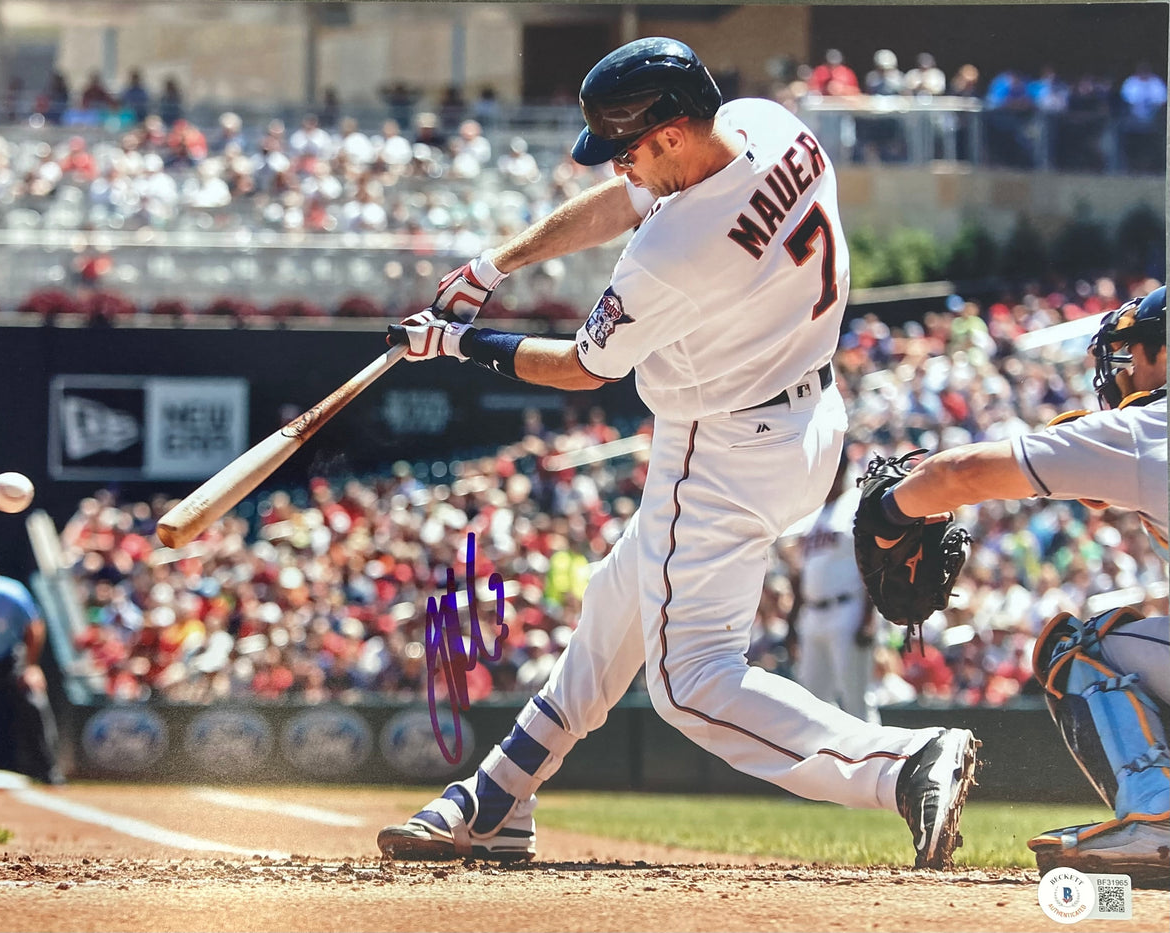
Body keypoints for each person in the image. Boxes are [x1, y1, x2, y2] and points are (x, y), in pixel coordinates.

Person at [378, 36, 978, 871]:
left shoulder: (674, 250)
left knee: (690, 682)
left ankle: (899, 764)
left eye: (628, 147)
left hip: (721, 448)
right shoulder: (769, 125)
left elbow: (582, 368)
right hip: (809, 420)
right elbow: (627, 199)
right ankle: (499, 794)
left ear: (668, 134)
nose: (620, 164)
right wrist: (497, 262)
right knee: (618, 595)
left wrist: (460, 343)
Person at [857, 287, 1167, 884]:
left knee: (1083, 645)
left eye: (1133, 353)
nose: (1121, 370)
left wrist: (890, 514)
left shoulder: (1145, 427)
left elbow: (963, 472)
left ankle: (1156, 817)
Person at [781, 449, 881, 724]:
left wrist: (869, 617)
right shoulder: (813, 513)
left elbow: (870, 561)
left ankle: (876, 762)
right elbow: (799, 573)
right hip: (812, 614)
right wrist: (793, 621)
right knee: (811, 702)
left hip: (848, 609)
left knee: (856, 699)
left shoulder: (854, 504)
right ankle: (830, 760)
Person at [0, 552, 62, 783]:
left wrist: (31, 667)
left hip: (7, 659)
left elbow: (34, 627)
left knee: (33, 699)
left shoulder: (13, 594)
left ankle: (48, 771)